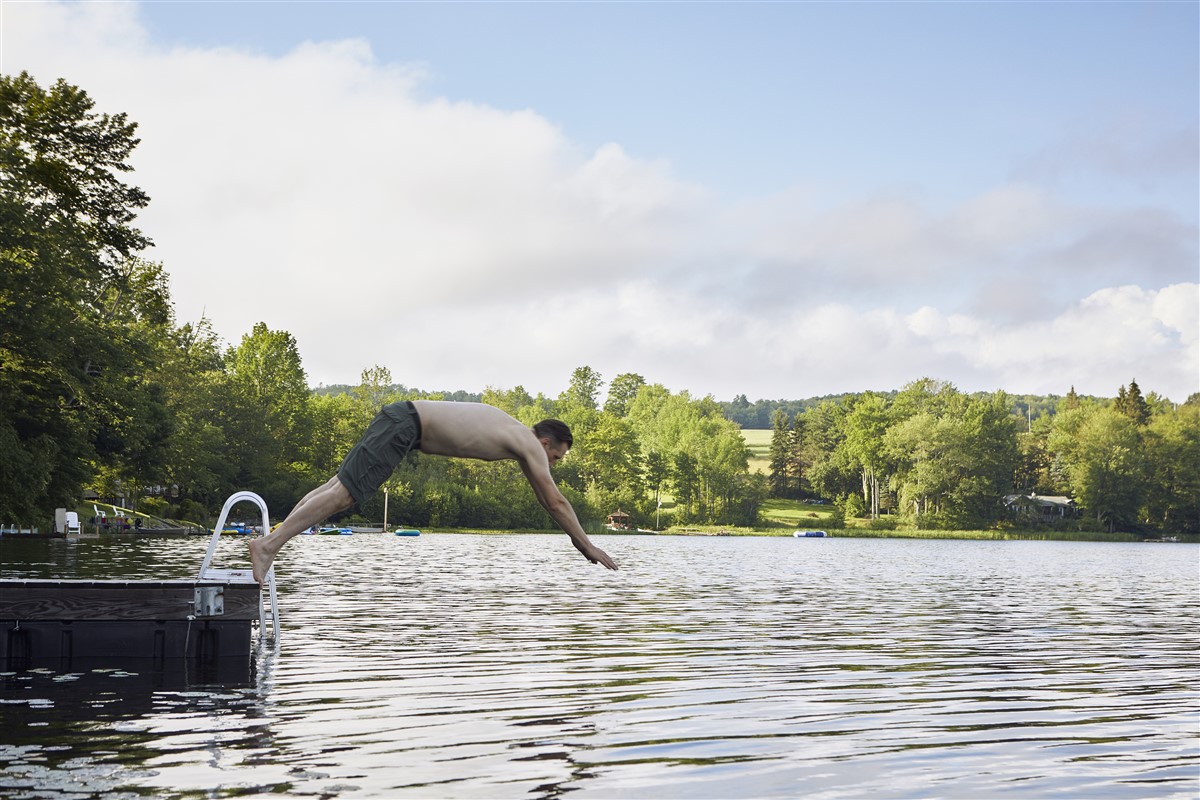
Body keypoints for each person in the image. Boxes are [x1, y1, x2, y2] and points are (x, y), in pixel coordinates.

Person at [249, 400, 618, 582]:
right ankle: (268, 547)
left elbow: (546, 498)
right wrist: (586, 544)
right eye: (556, 455)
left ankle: (270, 541)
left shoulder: (517, 437)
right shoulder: (527, 442)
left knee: (335, 486)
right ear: (545, 440)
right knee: (345, 494)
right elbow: (554, 500)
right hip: (406, 426)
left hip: (402, 419)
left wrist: (578, 542)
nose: (552, 463)